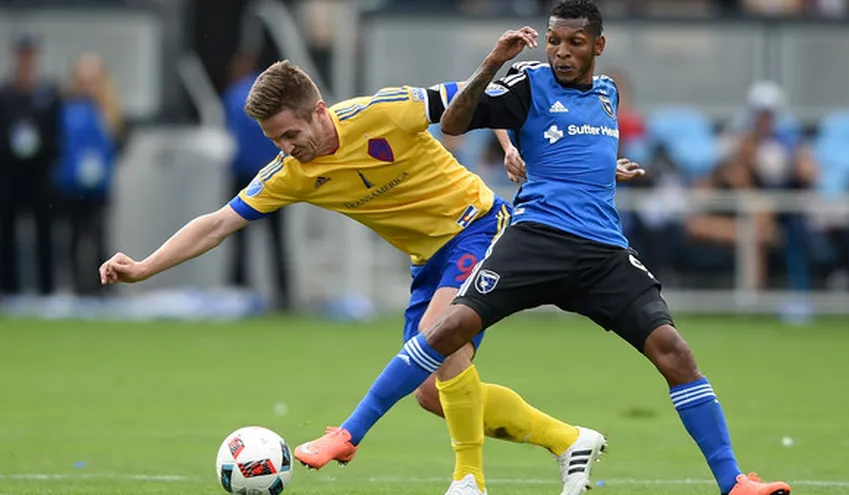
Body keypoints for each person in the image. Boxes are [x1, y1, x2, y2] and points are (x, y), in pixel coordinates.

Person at [295, 2, 792, 495]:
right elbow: (452, 122)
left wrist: (607, 168)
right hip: (537, 239)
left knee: (675, 352)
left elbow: (576, 147)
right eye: (554, 41)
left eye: (574, 42)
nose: (561, 52)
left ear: (598, 46)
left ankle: (734, 483)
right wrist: (492, 65)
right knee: (450, 329)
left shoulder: (608, 94)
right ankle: (347, 434)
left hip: (602, 252)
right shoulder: (528, 83)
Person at [98, 60, 644, 495]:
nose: (286, 148)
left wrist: (515, 148)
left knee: (440, 337)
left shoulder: (384, 110)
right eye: (274, 142)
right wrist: (145, 267)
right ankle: (569, 440)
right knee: (431, 392)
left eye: (290, 134)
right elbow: (217, 224)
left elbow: (484, 96)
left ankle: (468, 480)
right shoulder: (294, 173)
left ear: (317, 111)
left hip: (478, 227)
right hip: (427, 261)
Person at [223, 52, 292, 310]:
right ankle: (283, 294)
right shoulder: (277, 100)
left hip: (244, 175)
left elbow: (231, 131)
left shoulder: (233, 95)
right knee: (277, 240)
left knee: (234, 233)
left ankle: (238, 291)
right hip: (275, 174)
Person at [0, 33, 62, 296]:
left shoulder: (47, 93)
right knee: (6, 233)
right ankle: (9, 289)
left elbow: (57, 133)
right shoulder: (5, 93)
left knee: (45, 231)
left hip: (40, 175)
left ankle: (46, 290)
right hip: (10, 175)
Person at [56, 53, 121, 295]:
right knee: (73, 239)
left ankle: (101, 287)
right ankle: (77, 288)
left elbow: (115, 143)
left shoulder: (107, 110)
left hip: (99, 187)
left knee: (99, 238)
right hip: (72, 186)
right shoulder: (68, 109)